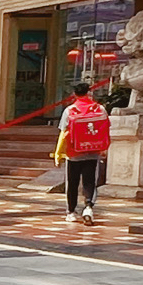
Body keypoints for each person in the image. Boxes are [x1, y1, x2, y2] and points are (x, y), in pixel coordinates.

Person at [55, 80, 111, 222]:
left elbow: (64, 134)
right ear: (89, 92)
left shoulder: (70, 111)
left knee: (72, 183)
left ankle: (71, 212)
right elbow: (105, 130)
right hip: (93, 152)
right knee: (90, 181)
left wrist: (58, 153)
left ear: (74, 94)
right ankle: (88, 207)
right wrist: (104, 148)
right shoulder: (100, 109)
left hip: (74, 153)